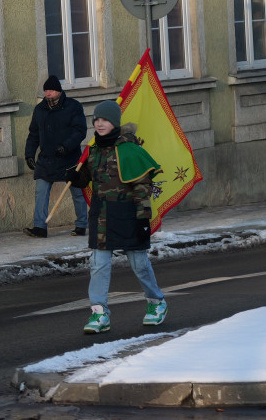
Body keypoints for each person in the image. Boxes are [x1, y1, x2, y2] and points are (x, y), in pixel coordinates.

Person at [66, 100, 167, 333]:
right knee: (99, 266)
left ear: (115, 123)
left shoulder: (131, 150)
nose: (100, 124)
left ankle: (157, 302)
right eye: (97, 120)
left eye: (105, 120)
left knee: (139, 264)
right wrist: (75, 176)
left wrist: (144, 219)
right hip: (101, 217)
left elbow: (142, 188)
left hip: (128, 216)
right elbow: (86, 178)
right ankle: (99, 313)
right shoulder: (93, 151)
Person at [23, 75, 87, 237]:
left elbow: (80, 130)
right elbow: (33, 134)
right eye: (46, 90)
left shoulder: (73, 107)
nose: (48, 93)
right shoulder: (39, 110)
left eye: (51, 90)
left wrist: (66, 146)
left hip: (70, 158)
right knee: (41, 191)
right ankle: (39, 227)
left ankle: (81, 225)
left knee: (77, 193)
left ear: (58, 91)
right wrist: (29, 154)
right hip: (46, 159)